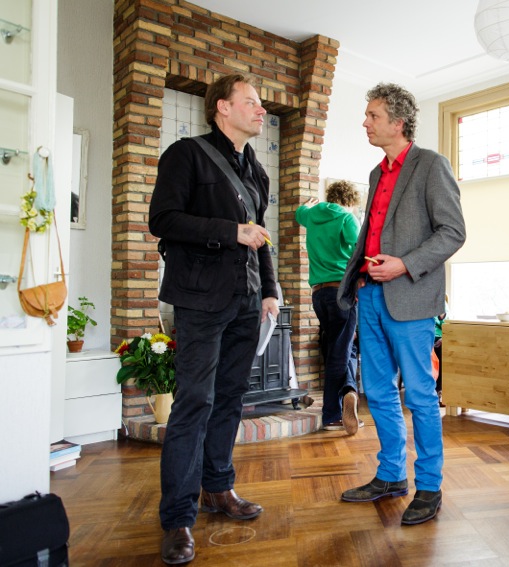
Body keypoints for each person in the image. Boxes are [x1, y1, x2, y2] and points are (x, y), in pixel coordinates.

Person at [149, 74, 279, 565]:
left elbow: (260, 237)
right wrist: (231, 231)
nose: (261, 110)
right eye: (251, 102)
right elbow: (163, 220)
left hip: (248, 301)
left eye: (261, 104)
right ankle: (178, 517)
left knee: (229, 399)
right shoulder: (186, 154)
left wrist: (270, 291)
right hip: (200, 300)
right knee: (194, 403)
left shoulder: (257, 171)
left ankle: (218, 488)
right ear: (222, 107)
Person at [337, 83, 466, 525]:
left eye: (373, 115)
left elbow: (453, 232)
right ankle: (391, 474)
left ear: (398, 122)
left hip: (410, 296)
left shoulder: (431, 165)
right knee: (377, 391)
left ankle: (429, 486)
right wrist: (358, 278)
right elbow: (371, 234)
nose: (365, 123)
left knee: (421, 396)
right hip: (370, 295)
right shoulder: (376, 174)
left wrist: (405, 265)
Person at [296, 181, 363, 435]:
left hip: (319, 294)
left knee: (341, 347)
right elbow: (359, 252)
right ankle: (333, 414)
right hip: (342, 292)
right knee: (340, 352)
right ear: (349, 201)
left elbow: (299, 214)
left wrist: (306, 205)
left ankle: (348, 392)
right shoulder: (347, 218)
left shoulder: (311, 215)